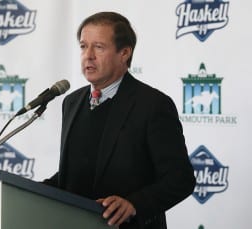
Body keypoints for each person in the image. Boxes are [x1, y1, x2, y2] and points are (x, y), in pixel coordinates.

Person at [43, 11, 196, 229]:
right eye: (83, 46)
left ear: (124, 53)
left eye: (99, 47)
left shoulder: (153, 105)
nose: (88, 55)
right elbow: (76, 173)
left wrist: (134, 204)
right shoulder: (72, 102)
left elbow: (180, 179)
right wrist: (27, 190)